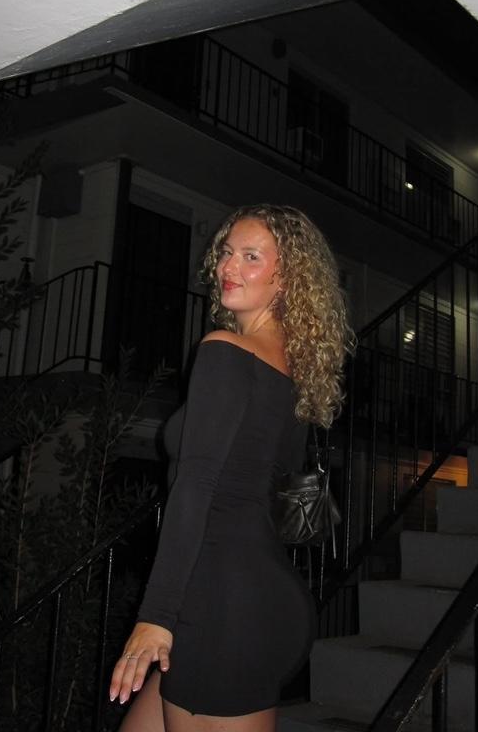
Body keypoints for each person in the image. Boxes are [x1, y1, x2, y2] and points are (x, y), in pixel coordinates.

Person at [110, 205, 353, 730]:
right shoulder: (292, 371)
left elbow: (196, 485)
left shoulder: (225, 351)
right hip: (256, 595)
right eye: (226, 253)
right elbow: (276, 497)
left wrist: (156, 614)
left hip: (219, 602)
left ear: (287, 278)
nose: (228, 267)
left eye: (250, 256)